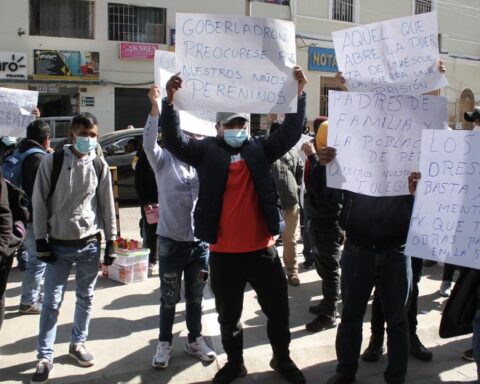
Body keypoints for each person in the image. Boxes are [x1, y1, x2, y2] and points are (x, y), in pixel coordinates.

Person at [161, 66, 307, 384]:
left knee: (279, 312)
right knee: (229, 318)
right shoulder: (206, 153)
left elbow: (291, 133)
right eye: (230, 124)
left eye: (241, 124)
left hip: (263, 252)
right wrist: (169, 102)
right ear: (218, 128)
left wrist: (299, 94)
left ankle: (282, 359)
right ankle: (236, 363)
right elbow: (173, 141)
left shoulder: (259, 149)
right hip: (224, 255)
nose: (237, 129)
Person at [30, 113, 116, 384]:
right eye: (84, 134)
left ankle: (77, 344)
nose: (89, 139)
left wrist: (112, 240)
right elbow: (39, 202)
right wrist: (40, 239)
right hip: (58, 246)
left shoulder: (99, 165)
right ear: (72, 134)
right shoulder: (51, 161)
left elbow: (107, 205)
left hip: (89, 243)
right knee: (52, 302)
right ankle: (45, 356)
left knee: (86, 297)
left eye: (93, 135)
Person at [144, 86, 216, 369]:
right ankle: (164, 344)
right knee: (168, 299)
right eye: (190, 132)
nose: (194, 137)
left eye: (198, 133)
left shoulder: (203, 163)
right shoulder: (163, 159)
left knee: (196, 298)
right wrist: (155, 108)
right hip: (171, 243)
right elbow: (148, 143)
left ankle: (194, 339)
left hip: (199, 245)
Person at [301, 121, 344, 333]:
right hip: (319, 221)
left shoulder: (333, 166)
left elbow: (320, 190)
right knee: (324, 266)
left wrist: (313, 158)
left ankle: (329, 312)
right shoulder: (327, 164)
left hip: (328, 223)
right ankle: (327, 304)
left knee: (330, 269)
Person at [17, 120, 51, 314]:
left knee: (35, 260)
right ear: (46, 139)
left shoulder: (19, 152)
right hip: (33, 218)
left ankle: (34, 295)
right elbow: (43, 194)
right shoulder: (38, 159)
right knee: (37, 262)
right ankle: (28, 301)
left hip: (20, 215)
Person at [271, 122, 304, 287]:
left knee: (290, 240)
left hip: (290, 204)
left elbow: (300, 172)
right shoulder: (263, 151)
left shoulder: (293, 152)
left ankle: (292, 272)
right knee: (267, 240)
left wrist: (295, 188)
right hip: (269, 204)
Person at [301, 115, 327, 270]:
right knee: (309, 228)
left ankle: (313, 256)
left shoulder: (324, 152)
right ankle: (310, 256)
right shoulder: (308, 146)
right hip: (310, 198)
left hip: (324, 206)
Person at [134, 145, 158, 274]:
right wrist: (145, 202)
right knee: (151, 234)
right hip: (150, 203)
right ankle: (151, 260)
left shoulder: (168, 152)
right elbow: (138, 182)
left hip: (167, 202)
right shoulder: (144, 154)